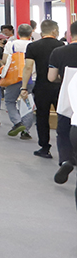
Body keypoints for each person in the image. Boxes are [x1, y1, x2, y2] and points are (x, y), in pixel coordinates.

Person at [24, 20, 65, 161]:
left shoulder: (33, 46)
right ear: (54, 31)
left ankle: (44, 147)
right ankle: (66, 148)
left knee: (42, 117)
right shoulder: (61, 46)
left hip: (41, 86)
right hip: (59, 86)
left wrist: (24, 87)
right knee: (63, 116)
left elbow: (28, 67)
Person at [46, 21, 77, 171]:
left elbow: (51, 77)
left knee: (63, 130)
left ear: (70, 34)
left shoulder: (58, 52)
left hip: (68, 96)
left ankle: (66, 160)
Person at [1, 24, 35, 140]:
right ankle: (26, 131)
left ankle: (17, 122)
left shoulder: (11, 44)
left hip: (14, 77)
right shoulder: (33, 45)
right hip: (31, 77)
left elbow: (4, 60)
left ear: (18, 33)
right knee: (28, 103)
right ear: (31, 33)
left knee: (10, 101)